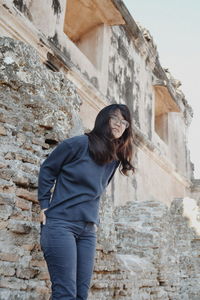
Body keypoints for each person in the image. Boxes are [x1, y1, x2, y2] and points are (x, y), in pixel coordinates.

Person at [38, 103, 135, 300]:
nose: (119, 125)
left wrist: (92, 219)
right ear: (103, 119)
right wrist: (44, 204)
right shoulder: (77, 144)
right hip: (60, 224)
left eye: (124, 122)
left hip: (88, 230)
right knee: (65, 293)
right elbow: (48, 169)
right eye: (114, 118)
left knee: (81, 295)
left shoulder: (114, 159)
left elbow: (98, 191)